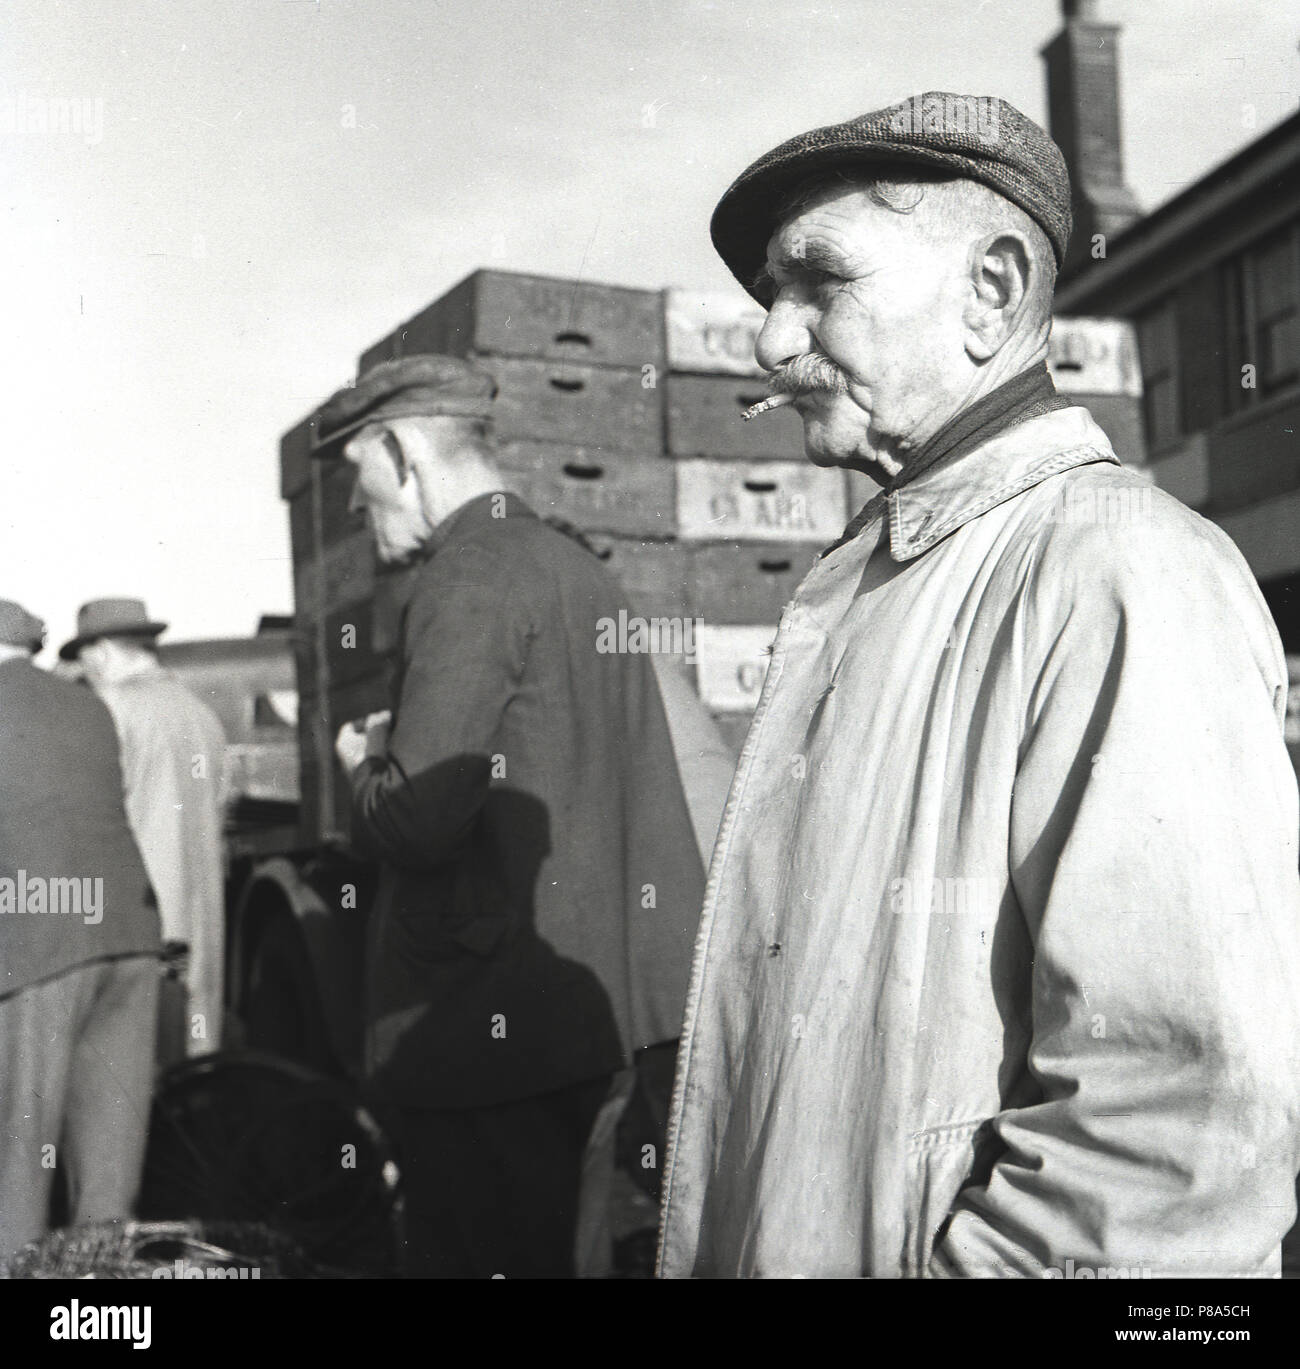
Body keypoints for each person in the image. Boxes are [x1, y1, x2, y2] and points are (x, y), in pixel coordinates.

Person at [656, 91, 1300, 1279]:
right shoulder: (886, 579)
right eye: (765, 294)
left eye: (818, 281)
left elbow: (1173, 1138)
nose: (769, 341)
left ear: (992, 291)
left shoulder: (1122, 569)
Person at [317, 354, 704, 1278]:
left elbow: (415, 821)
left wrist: (363, 763)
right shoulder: (577, 569)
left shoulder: (467, 575)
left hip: (485, 1035)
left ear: (401, 449)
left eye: (360, 482)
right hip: (589, 1018)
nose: (360, 513)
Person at [0, 598, 162, 1261]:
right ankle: (100, 1316)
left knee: (19, 1155)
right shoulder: (86, 702)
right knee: (106, 1172)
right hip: (128, 934)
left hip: (42, 943)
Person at [61, 598, 228, 1067]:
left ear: (102, 651)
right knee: (194, 1065)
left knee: (132, 1080)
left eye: (84, 656)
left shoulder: (109, 709)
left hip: (137, 924)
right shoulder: (201, 714)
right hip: (198, 923)